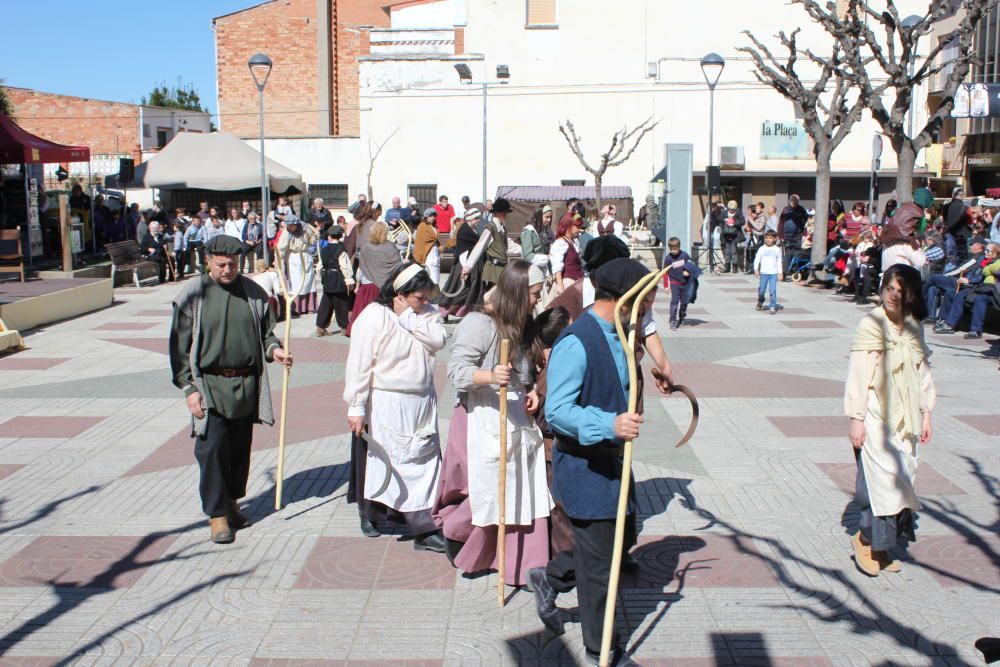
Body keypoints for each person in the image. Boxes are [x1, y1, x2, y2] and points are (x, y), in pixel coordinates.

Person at [528, 258, 658, 667]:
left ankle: (549, 578)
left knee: (617, 543)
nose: (648, 311)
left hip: (615, 462)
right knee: (602, 566)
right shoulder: (577, 341)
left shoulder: (621, 333)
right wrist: (610, 423)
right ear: (624, 299)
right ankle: (601, 650)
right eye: (645, 302)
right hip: (586, 469)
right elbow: (558, 410)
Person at [169, 234, 293, 544]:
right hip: (209, 384)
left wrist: (275, 350)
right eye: (222, 264)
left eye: (234, 264)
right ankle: (217, 515)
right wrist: (188, 388)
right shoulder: (192, 295)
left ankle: (233, 503)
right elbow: (178, 348)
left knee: (239, 450)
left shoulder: (253, 292)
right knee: (211, 451)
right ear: (208, 260)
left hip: (246, 383)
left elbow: (267, 335)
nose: (228, 269)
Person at [434, 260, 551, 585]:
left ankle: (524, 559)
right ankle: (465, 541)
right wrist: (489, 375)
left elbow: (524, 373)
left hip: (514, 415)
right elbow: (456, 371)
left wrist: (530, 392)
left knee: (523, 485)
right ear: (516, 293)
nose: (536, 301)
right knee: (489, 488)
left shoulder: (522, 324)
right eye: (533, 294)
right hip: (480, 415)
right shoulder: (479, 322)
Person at [344, 263, 447, 551]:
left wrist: (410, 318)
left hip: (422, 400)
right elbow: (360, 364)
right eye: (419, 297)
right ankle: (397, 519)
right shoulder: (375, 317)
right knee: (388, 460)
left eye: (427, 297)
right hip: (389, 399)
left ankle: (420, 515)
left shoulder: (425, 314)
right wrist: (357, 404)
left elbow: (438, 340)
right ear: (400, 294)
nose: (424, 302)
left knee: (422, 458)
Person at [845, 264, 935, 576]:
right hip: (875, 414)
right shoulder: (871, 324)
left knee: (902, 479)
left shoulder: (913, 326)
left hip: (906, 417)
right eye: (889, 288)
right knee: (877, 481)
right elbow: (858, 375)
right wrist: (856, 418)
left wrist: (926, 413)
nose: (893, 295)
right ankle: (866, 540)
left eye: (900, 290)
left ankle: (883, 547)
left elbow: (922, 373)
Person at [347, 222, 403, 337]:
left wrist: (357, 285)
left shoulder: (366, 247)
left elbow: (361, 269)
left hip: (368, 286)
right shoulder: (391, 246)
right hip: (386, 288)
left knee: (365, 315)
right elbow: (398, 265)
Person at [934, 237, 990, 336]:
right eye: (987, 250)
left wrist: (969, 280)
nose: (987, 252)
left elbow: (983, 276)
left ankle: (951, 325)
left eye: (989, 250)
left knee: (962, 295)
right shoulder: (982, 259)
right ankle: (942, 319)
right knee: (950, 292)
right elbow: (972, 272)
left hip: (981, 288)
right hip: (972, 285)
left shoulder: (992, 261)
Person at [440, 208, 487, 319]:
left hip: (473, 264)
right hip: (464, 264)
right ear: (470, 218)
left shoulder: (473, 229)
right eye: (476, 218)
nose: (478, 220)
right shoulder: (465, 231)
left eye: (478, 218)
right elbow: (462, 251)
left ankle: (468, 313)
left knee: (472, 290)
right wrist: (466, 268)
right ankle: (445, 311)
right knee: (459, 290)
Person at [464, 197, 512, 292]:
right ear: (501, 212)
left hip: (502, 267)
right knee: (493, 296)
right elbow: (480, 246)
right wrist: (468, 266)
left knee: (497, 296)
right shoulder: (491, 227)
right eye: (505, 212)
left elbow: (509, 245)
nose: (506, 215)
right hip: (494, 268)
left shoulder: (502, 228)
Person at [316, 225, 355, 336]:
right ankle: (344, 327)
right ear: (340, 236)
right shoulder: (340, 249)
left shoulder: (324, 249)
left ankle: (320, 327)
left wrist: (323, 277)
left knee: (326, 303)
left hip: (328, 278)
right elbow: (344, 266)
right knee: (341, 303)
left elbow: (319, 266)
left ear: (329, 236)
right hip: (338, 278)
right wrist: (349, 280)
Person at [276, 216, 318, 318]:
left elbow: (314, 238)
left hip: (306, 256)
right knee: (296, 283)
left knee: (309, 281)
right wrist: (278, 260)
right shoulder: (287, 233)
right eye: (289, 226)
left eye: (292, 225)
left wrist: (312, 237)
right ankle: (297, 308)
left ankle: (310, 307)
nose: (290, 228)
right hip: (294, 258)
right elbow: (280, 248)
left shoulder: (305, 228)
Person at [881, 203, 927, 272]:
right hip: (900, 278)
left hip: (887, 278)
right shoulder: (906, 243)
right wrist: (919, 248)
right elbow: (920, 262)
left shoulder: (888, 236)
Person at [664, 237, 698, 329]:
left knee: (684, 302)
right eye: (671, 249)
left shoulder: (684, 255)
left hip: (685, 283)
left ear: (679, 247)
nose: (673, 251)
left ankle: (682, 317)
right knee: (674, 302)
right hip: (674, 283)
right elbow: (665, 272)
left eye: (675, 249)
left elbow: (691, 265)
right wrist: (666, 286)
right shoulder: (668, 258)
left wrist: (688, 271)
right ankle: (673, 320)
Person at [550, 214, 584, 294]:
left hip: (576, 281)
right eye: (577, 227)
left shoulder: (573, 242)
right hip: (567, 283)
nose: (579, 230)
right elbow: (557, 266)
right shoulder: (560, 242)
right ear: (569, 225)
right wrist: (560, 286)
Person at [754, 230, 783, 314]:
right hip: (764, 273)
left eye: (770, 238)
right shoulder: (762, 248)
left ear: (774, 239)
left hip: (773, 273)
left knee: (772, 290)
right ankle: (760, 301)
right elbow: (757, 259)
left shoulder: (777, 249)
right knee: (762, 290)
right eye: (766, 238)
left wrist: (780, 273)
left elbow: (779, 261)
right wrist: (756, 269)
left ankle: (772, 306)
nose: (768, 239)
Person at [412, 208, 442, 284]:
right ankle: (432, 294)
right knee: (431, 278)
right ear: (426, 216)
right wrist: (420, 258)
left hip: (435, 254)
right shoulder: (422, 226)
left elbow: (436, 240)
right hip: (428, 255)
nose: (433, 217)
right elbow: (420, 243)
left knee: (436, 277)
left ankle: (435, 294)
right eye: (431, 216)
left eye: (434, 216)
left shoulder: (434, 227)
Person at [520, 205, 551, 271]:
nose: (549, 220)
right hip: (529, 270)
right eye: (547, 217)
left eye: (550, 217)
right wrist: (547, 258)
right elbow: (527, 256)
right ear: (539, 216)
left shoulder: (542, 232)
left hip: (539, 269)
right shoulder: (529, 231)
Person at [720, 200, 746, 273]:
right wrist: (724, 220)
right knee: (727, 251)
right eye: (730, 209)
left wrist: (734, 223)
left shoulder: (738, 212)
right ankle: (727, 267)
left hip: (735, 234)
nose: (731, 210)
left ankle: (735, 267)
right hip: (725, 233)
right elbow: (719, 218)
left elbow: (743, 221)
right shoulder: (724, 212)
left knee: (734, 251)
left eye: (732, 209)